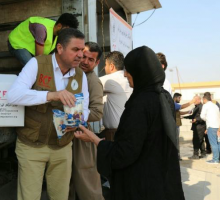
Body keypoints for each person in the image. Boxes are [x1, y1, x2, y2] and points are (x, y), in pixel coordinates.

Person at [74, 46, 185, 200]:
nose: (125, 74)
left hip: (141, 184)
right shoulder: (164, 97)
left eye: (128, 70)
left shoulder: (141, 103)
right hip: (161, 180)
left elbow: (125, 152)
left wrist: (95, 140)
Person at [7, 28, 89, 200]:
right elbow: (13, 95)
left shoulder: (81, 75)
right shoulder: (37, 63)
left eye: (82, 50)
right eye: (76, 49)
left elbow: (85, 109)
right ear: (59, 48)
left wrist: (77, 120)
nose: (81, 55)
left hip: (63, 147)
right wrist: (51, 95)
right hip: (32, 145)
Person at [68, 42, 104, 200]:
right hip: (68, 133)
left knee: (87, 184)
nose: (85, 61)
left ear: (97, 63)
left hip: (82, 136)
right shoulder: (72, 73)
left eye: (91, 60)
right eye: (84, 56)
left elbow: (97, 113)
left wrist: (73, 115)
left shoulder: (92, 81)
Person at [8, 13, 79, 68]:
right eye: (66, 31)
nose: (67, 34)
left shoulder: (59, 31)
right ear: (59, 26)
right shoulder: (41, 29)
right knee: (33, 67)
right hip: (17, 42)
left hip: (31, 46)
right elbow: (39, 57)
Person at [99, 51, 132, 141]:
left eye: (105, 65)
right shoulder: (129, 79)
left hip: (115, 134)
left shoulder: (110, 79)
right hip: (131, 131)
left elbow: (89, 85)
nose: (104, 68)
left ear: (112, 66)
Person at [173, 93, 195, 160]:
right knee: (175, 142)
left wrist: (187, 112)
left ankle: (177, 156)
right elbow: (182, 106)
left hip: (177, 125)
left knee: (176, 142)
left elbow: (179, 112)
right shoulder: (173, 104)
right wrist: (191, 102)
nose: (180, 99)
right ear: (176, 97)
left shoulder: (174, 105)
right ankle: (176, 156)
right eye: (179, 98)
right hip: (175, 126)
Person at [200, 93, 220, 164]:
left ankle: (215, 159)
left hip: (211, 126)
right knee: (218, 143)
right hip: (218, 126)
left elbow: (202, 116)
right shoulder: (215, 106)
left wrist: (207, 119)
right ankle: (218, 158)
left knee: (213, 143)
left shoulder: (205, 105)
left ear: (204, 99)